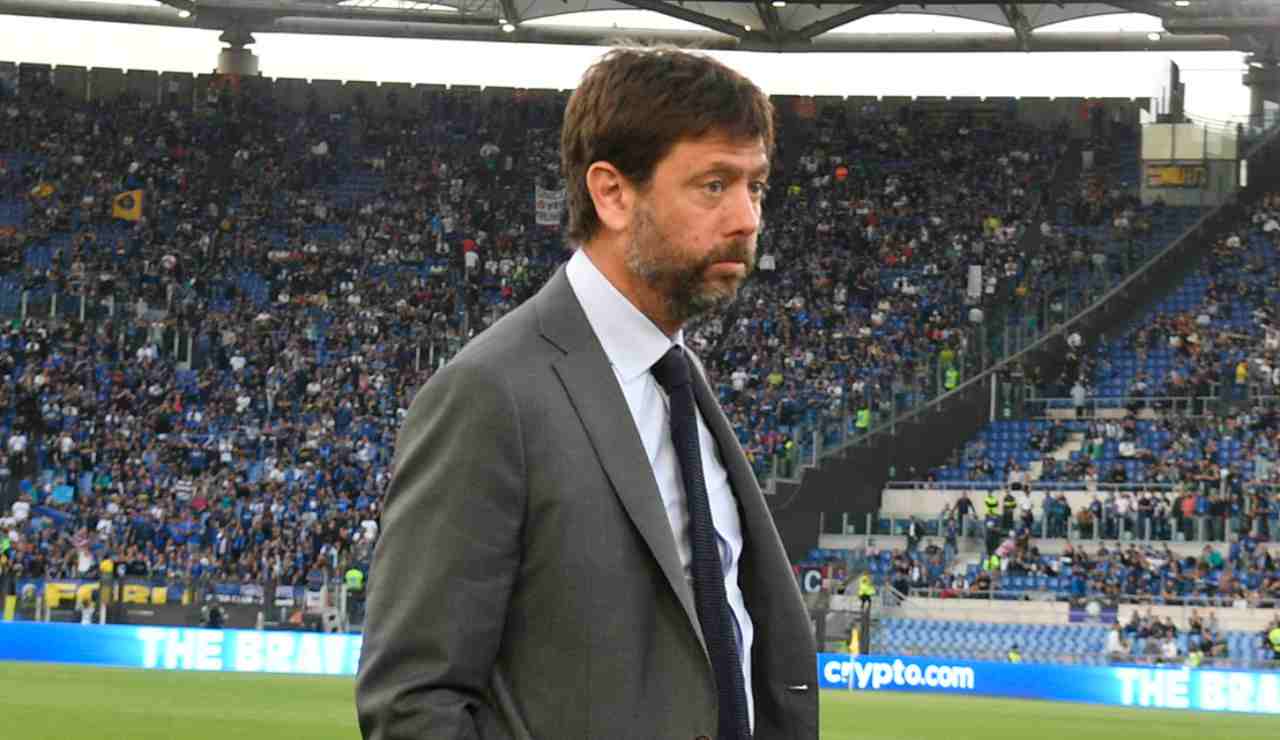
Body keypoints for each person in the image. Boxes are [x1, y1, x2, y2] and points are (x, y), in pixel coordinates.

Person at [356, 47, 818, 740]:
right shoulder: (492, 394)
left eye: (755, 186)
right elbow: (413, 703)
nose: (747, 218)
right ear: (612, 193)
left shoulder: (680, 383)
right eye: (714, 186)